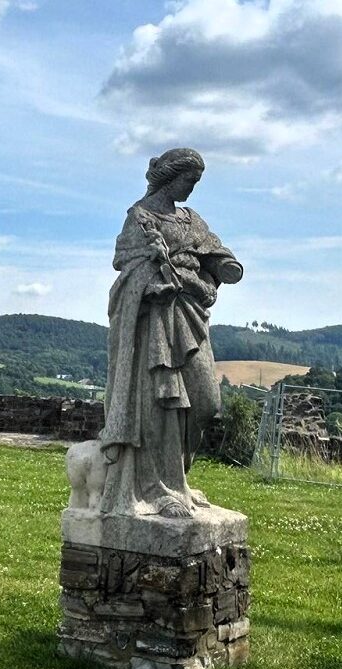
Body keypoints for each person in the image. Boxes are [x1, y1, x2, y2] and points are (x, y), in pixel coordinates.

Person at [98, 148, 243, 518]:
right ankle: (160, 487)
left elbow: (216, 252)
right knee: (161, 407)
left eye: (196, 183)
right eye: (188, 181)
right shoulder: (140, 218)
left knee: (206, 403)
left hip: (191, 314)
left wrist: (224, 266)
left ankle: (179, 477)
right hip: (155, 321)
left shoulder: (191, 219)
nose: (191, 189)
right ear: (170, 178)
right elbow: (127, 272)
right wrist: (152, 283)